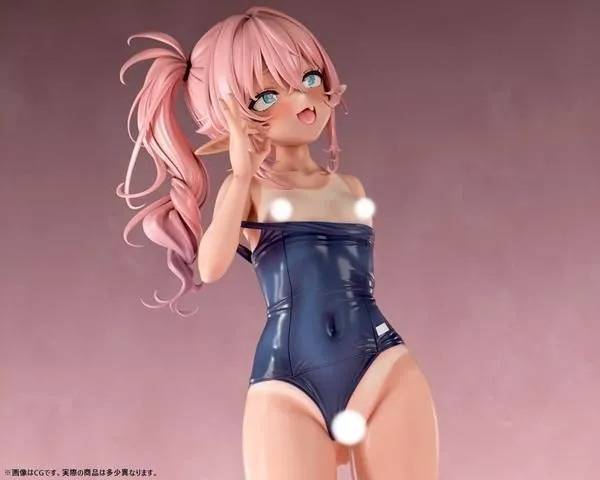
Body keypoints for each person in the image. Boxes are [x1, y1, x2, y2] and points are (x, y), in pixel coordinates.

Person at [118, 6, 438, 479]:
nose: (303, 98)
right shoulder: (249, 191)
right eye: (268, 95)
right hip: (288, 382)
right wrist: (240, 173)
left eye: (309, 78)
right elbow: (209, 267)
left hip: (384, 367)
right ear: (229, 118)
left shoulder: (349, 188)